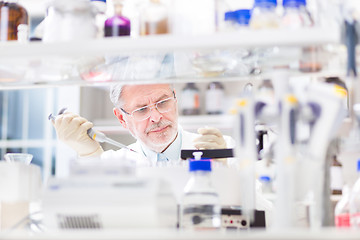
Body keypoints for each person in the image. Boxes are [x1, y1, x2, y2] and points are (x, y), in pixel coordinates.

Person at [53, 83, 234, 163]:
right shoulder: (114, 164)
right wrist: (88, 154)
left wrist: (226, 173)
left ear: (175, 99)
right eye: (142, 109)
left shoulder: (220, 148)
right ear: (122, 118)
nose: (155, 117)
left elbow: (260, 214)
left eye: (162, 103)